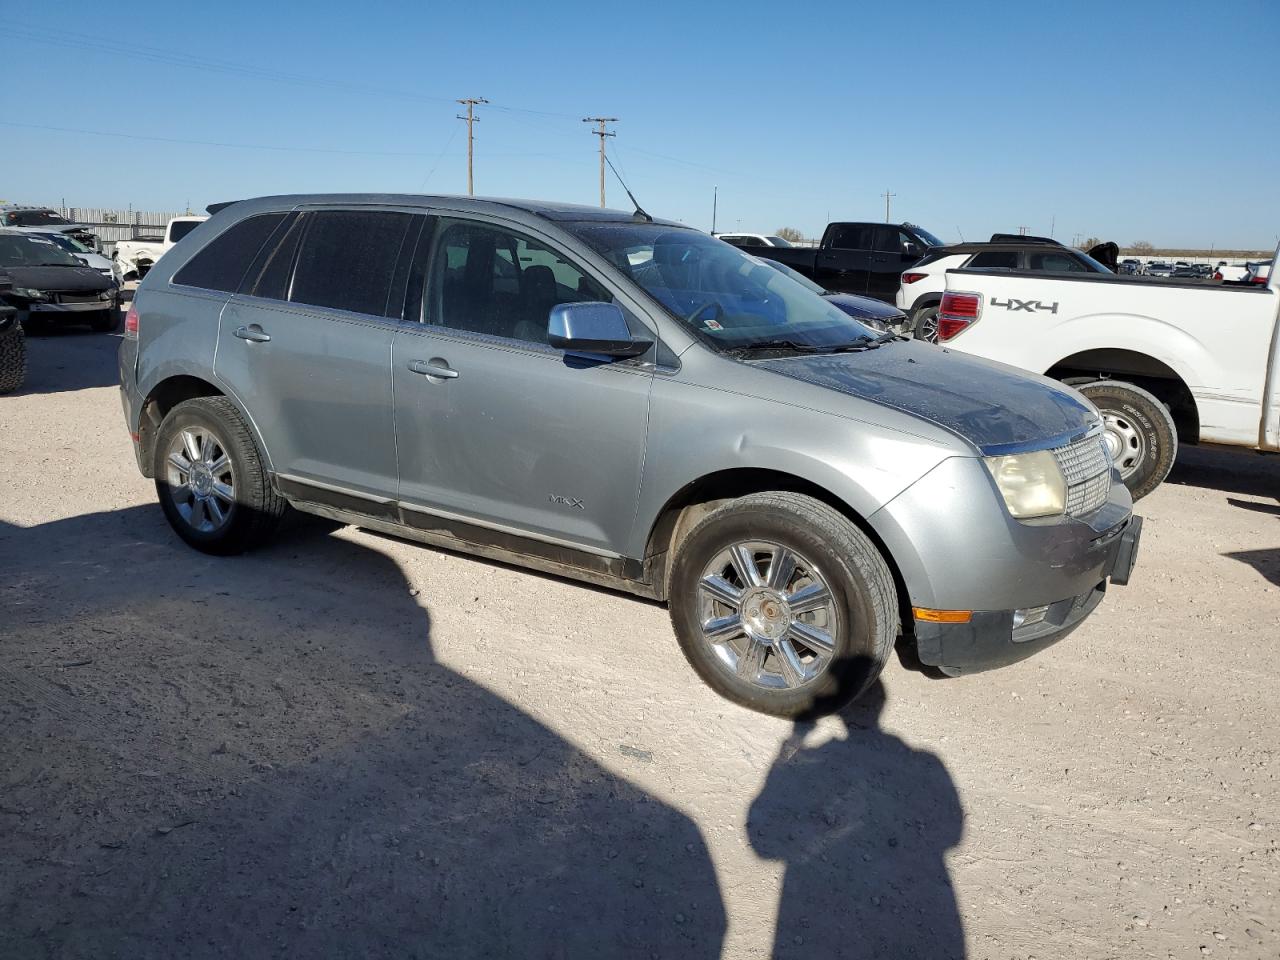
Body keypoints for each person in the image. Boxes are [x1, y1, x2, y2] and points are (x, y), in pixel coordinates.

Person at [748, 671, 965, 958]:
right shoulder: (926, 762)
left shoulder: (821, 761)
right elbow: (953, 833)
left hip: (821, 922)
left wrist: (794, 741)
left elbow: (762, 843)